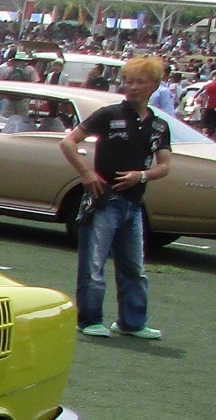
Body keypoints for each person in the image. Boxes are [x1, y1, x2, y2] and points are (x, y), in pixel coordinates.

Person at [59, 55, 172, 339]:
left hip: (133, 204)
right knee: (93, 266)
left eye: (140, 82)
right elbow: (68, 142)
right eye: (128, 81)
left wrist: (141, 175)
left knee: (134, 269)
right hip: (103, 202)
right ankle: (89, 320)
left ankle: (131, 322)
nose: (132, 87)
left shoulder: (159, 125)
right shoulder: (109, 114)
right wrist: (87, 174)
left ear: (154, 85)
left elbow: (164, 167)